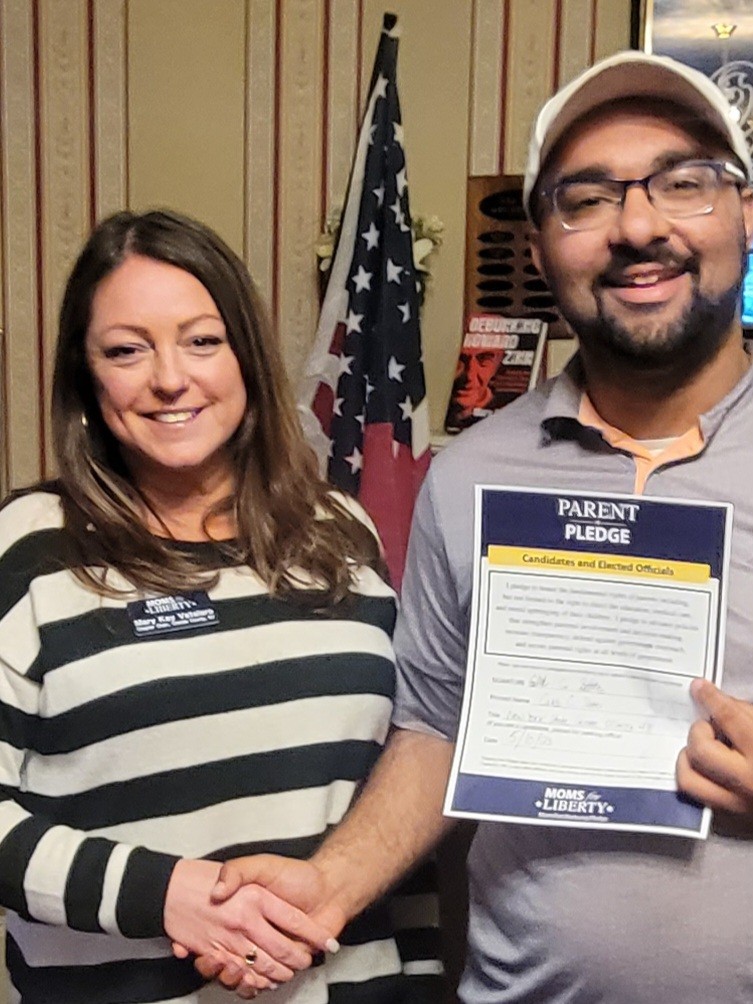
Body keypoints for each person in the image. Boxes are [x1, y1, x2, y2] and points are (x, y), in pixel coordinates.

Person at [193, 50, 753, 1002]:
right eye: (585, 199)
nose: (637, 227)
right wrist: (330, 886)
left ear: (743, 212)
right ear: (538, 249)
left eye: (682, 183)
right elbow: (437, 726)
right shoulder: (469, 478)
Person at [0, 208, 443, 1003]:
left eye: (202, 340)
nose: (170, 378)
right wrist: (171, 897)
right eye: (127, 350)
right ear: (85, 375)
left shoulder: (338, 528)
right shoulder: (27, 549)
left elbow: (397, 775)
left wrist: (422, 973)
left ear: (246, 355)